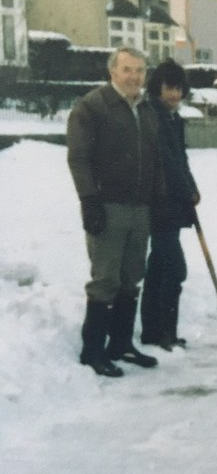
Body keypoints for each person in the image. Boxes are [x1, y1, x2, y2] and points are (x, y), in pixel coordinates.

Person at [67, 47, 164, 376]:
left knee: (131, 277)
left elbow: (155, 157)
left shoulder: (147, 108)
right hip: (107, 206)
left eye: (139, 70)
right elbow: (78, 158)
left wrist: (159, 197)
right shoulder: (92, 106)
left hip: (140, 208)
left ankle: (120, 344)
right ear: (113, 72)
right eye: (127, 69)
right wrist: (89, 200)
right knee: (106, 278)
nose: (134, 76)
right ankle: (92, 351)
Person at [140, 59, 200, 351]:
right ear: (158, 88)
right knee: (175, 269)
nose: (174, 94)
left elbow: (181, 159)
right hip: (160, 202)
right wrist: (185, 190)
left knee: (158, 266)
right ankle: (165, 332)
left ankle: (152, 331)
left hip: (173, 203)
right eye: (168, 88)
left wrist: (193, 187)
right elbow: (166, 162)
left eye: (178, 89)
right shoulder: (153, 116)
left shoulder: (173, 118)